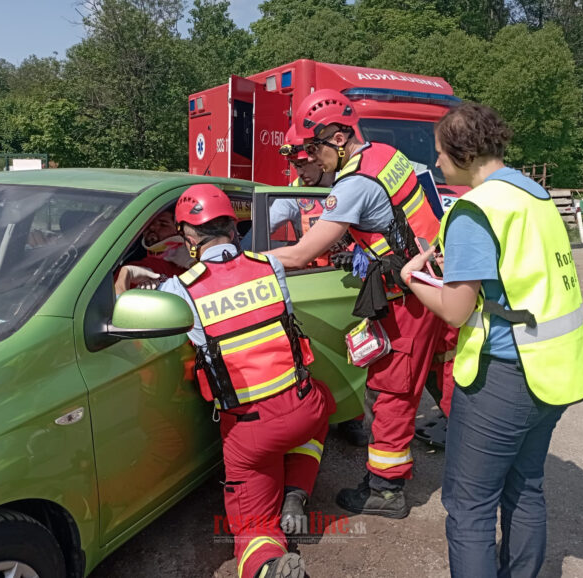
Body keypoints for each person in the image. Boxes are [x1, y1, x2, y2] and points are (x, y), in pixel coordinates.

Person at [399, 102, 583, 577]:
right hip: (555, 366)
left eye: (441, 154)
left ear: (463, 153)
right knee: (526, 487)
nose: (438, 163)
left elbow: (455, 309)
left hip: (504, 377)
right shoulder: (535, 194)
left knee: (469, 506)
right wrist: (471, 273)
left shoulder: (475, 209)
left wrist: (413, 279)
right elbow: (521, 271)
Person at [268, 89, 448, 518]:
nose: (311, 159)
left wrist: (240, 264)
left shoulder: (354, 184)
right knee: (447, 376)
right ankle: (484, 462)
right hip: (438, 280)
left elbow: (298, 254)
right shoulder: (385, 154)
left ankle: (385, 490)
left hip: (410, 294)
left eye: (314, 149)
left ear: (336, 136)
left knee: (392, 387)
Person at [154, 184, 334, 578]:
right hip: (302, 404)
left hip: (251, 432)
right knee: (324, 403)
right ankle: (296, 492)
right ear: (234, 228)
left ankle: (270, 566)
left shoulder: (180, 289)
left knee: (253, 529)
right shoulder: (270, 266)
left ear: (188, 237)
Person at [276, 127, 369, 447]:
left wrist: (356, 254)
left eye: (305, 165)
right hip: (309, 280)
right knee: (317, 355)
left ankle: (353, 417)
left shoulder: (347, 186)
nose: (300, 172)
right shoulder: (292, 194)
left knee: (353, 353)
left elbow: (370, 233)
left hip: (346, 282)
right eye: (297, 167)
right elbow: (272, 219)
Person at [114, 210, 194, 295]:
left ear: (179, 231)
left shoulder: (196, 264)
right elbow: (115, 304)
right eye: (148, 223)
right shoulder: (133, 270)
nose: (151, 227)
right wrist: (126, 274)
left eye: (163, 224)